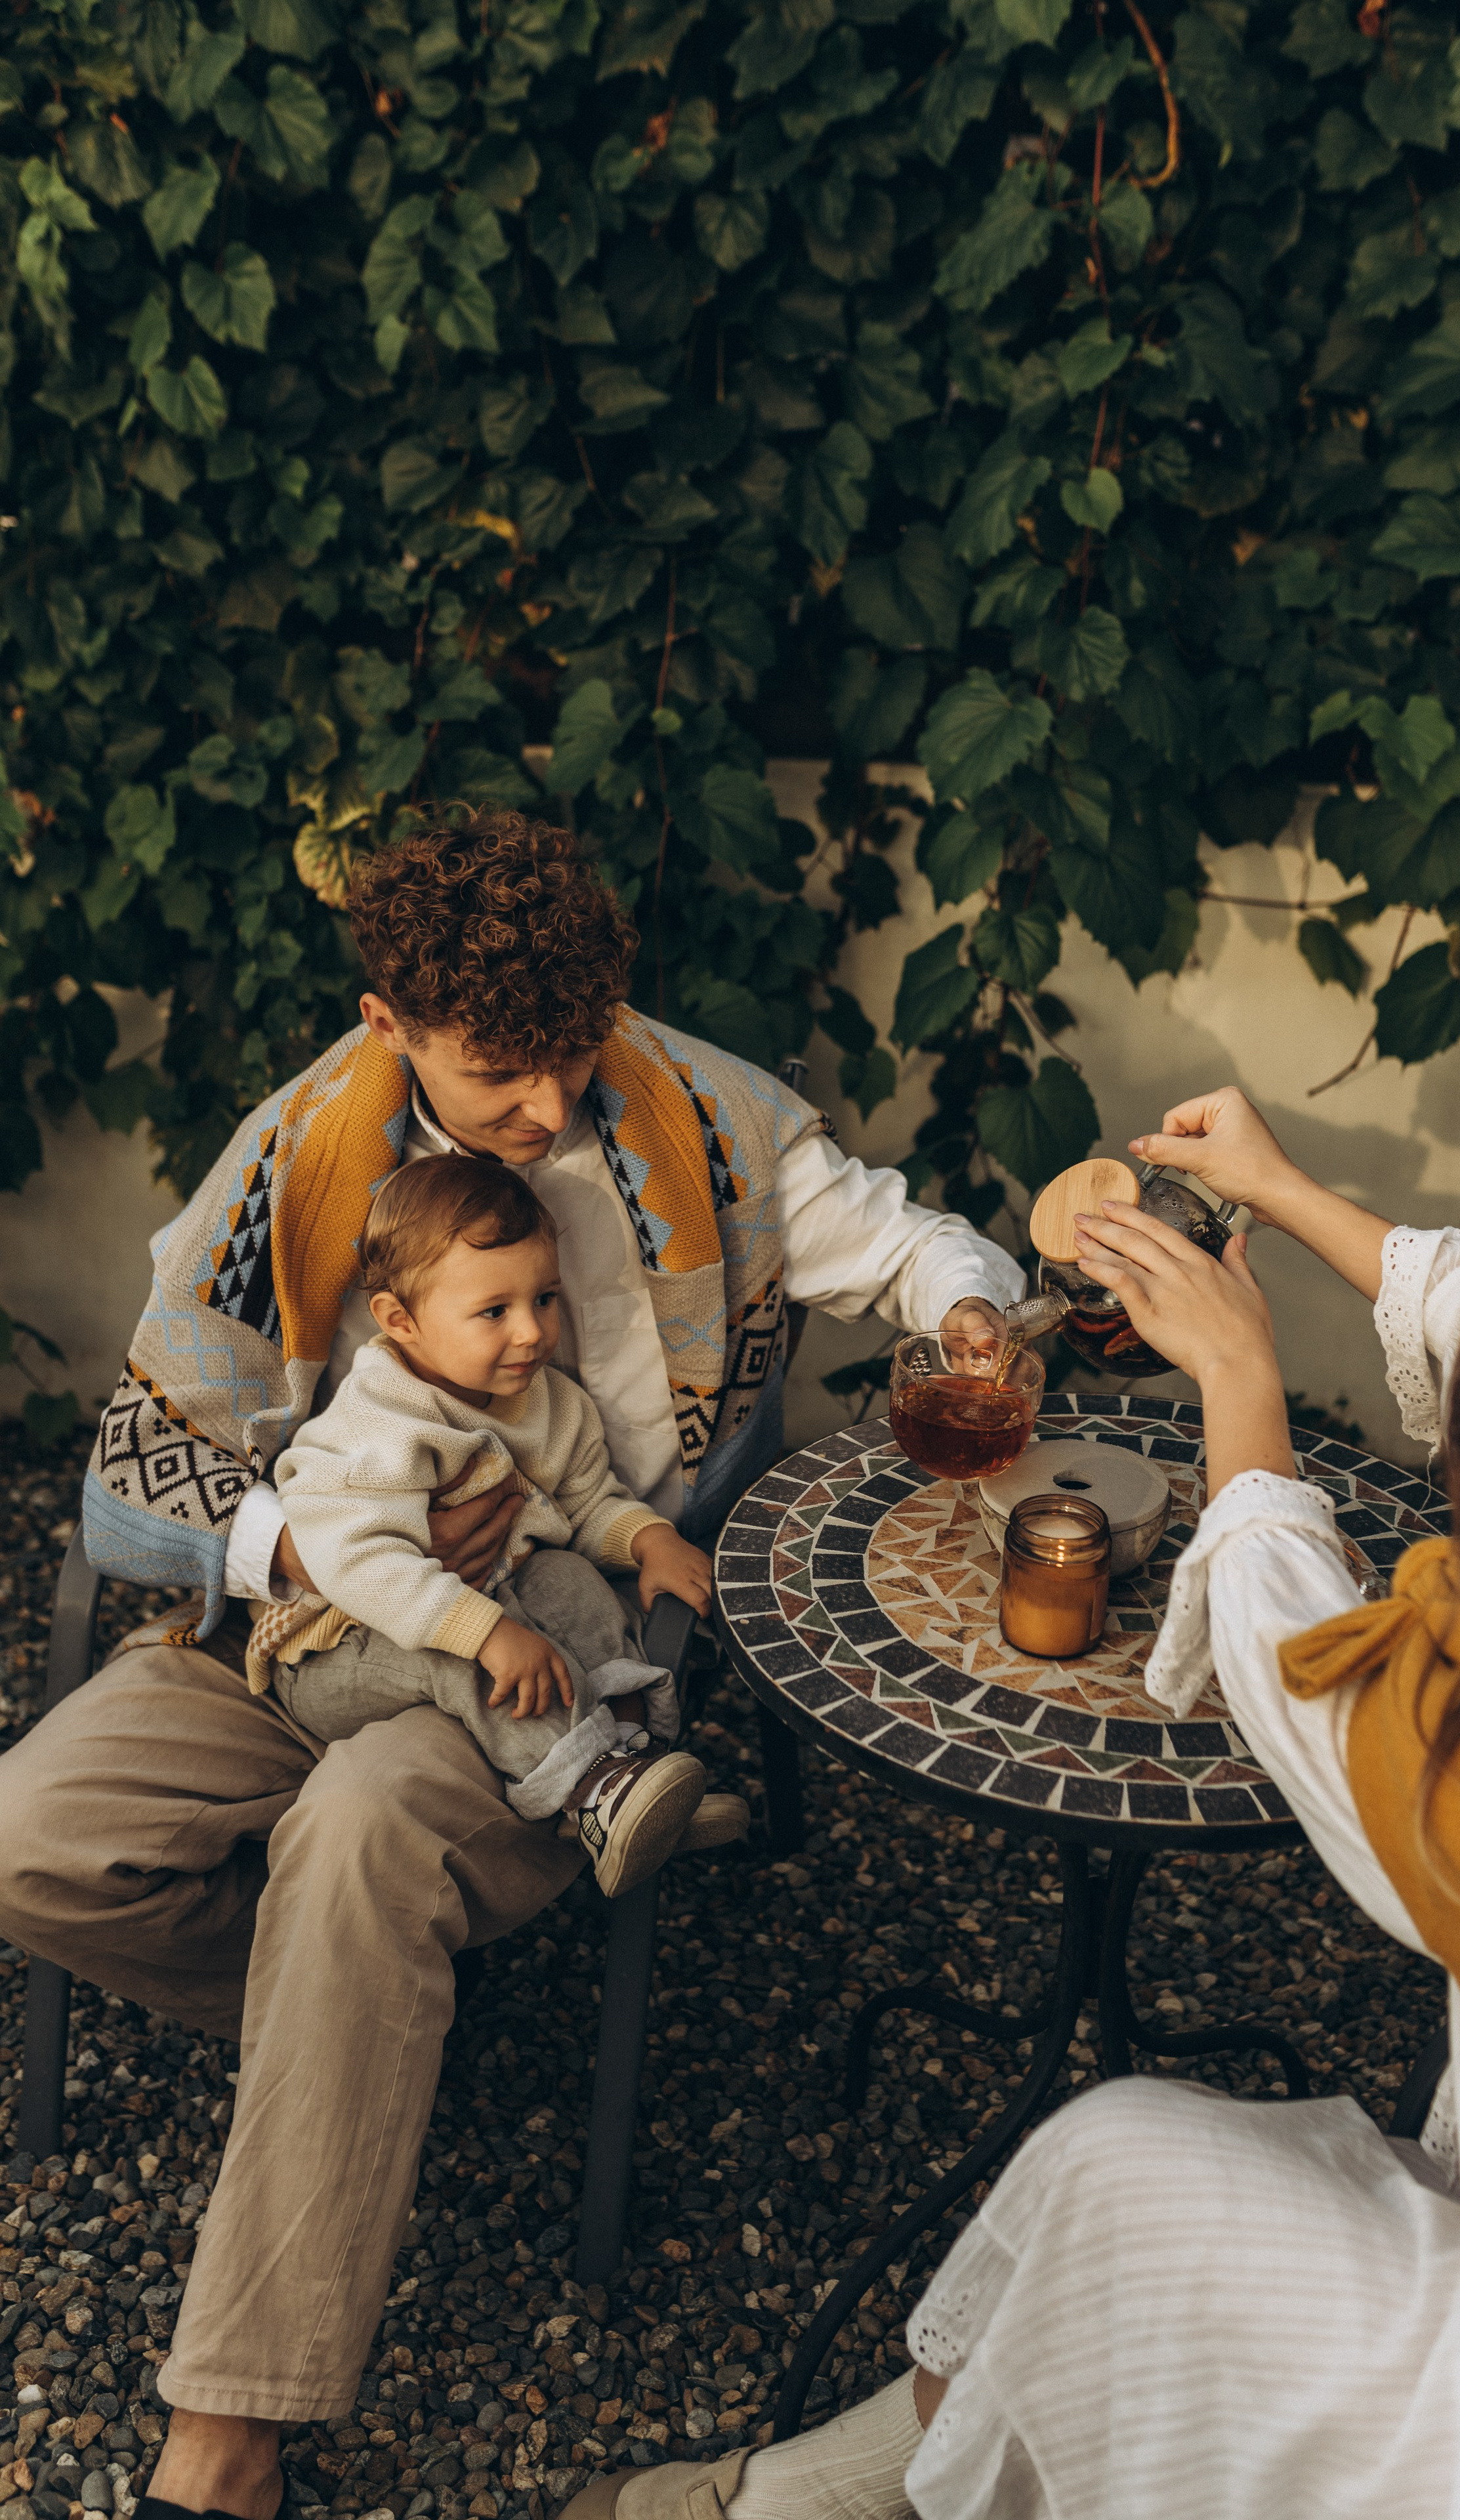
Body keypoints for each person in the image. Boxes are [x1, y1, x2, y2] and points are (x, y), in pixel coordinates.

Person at [0, 810, 1024, 2520]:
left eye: (576, 1056)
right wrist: (306, 1552)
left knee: (360, 1838)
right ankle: (363, 2025)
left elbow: (901, 1242)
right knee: (30, 1831)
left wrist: (970, 1306)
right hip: (292, 1629)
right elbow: (129, 1478)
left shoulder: (700, 1115)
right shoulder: (294, 1155)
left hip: (540, 1663)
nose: (555, 1107)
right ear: (391, 1020)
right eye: (506, 1078)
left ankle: (226, 2442)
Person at [607, 1085, 1460, 2520]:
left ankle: (798, 2504)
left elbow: (1300, 1676)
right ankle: (837, 2490)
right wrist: (1277, 1188)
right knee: (1103, 2161)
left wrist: (1241, 1379)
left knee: (1113, 2174)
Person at [259, 1154, 718, 1897]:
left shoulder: (550, 1403)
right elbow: (353, 1561)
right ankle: (591, 1797)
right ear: (400, 1321)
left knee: (567, 1576)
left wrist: (645, 1538)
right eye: (494, 1312)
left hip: (486, 1593)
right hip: (339, 1645)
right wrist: (489, 1632)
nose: (532, 1332)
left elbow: (585, 1500)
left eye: (544, 1298)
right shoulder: (379, 1421)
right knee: (471, 1659)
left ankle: (632, 1760)